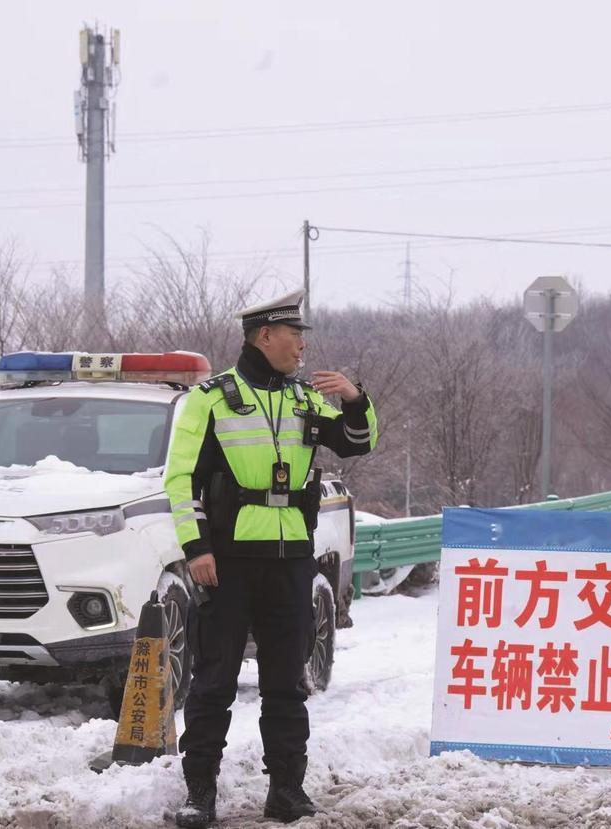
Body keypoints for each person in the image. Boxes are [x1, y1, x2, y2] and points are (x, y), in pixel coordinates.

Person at [164, 288, 378, 827]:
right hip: (229, 562)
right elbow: (180, 479)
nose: (302, 346)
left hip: (290, 562)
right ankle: (200, 793)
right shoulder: (211, 399)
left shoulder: (306, 399)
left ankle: (286, 789)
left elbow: (357, 441)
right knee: (214, 680)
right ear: (266, 336)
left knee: (288, 681)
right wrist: (197, 548)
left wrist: (355, 400)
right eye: (294, 335)